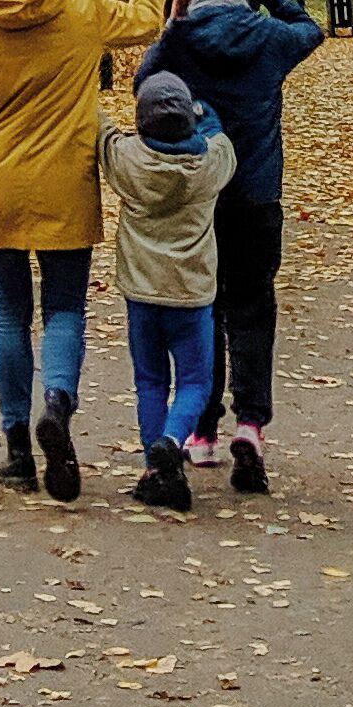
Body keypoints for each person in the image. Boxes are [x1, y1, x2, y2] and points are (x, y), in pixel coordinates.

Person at [0, 0, 169, 499]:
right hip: (65, 180)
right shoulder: (83, 6)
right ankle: (58, 405)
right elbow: (145, 24)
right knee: (64, 308)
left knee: (8, 313)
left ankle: (18, 451)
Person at [136, 0, 323, 491]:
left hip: (201, 199)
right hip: (258, 198)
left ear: (194, 2)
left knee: (206, 309)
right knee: (253, 309)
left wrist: (173, 23)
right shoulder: (268, 38)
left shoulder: (184, 39)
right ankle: (251, 424)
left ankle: (202, 431)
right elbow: (311, 30)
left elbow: (144, 83)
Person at [97, 72, 237, 509]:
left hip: (141, 294)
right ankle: (173, 441)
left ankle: (155, 468)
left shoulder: (127, 161)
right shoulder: (212, 164)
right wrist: (202, 110)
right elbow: (217, 131)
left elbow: (101, 130)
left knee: (150, 381)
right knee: (196, 380)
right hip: (192, 296)